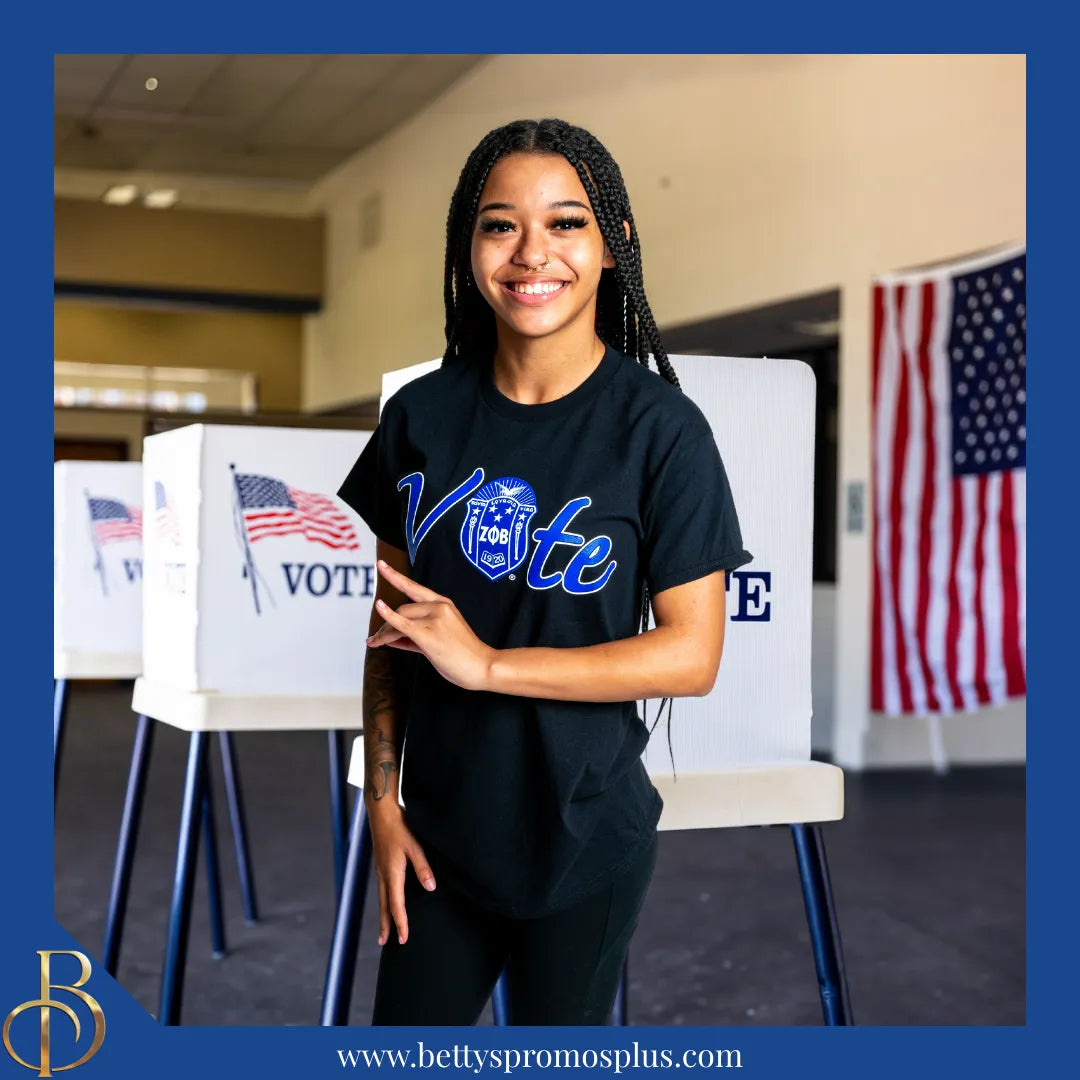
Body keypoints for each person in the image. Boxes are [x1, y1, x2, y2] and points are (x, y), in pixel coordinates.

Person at [337, 118, 752, 1026]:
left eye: (566, 223)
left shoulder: (661, 432)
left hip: (585, 839)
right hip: (437, 837)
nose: (533, 253)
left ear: (613, 246)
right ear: (469, 246)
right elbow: (389, 635)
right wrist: (381, 803)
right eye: (499, 224)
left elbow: (692, 656)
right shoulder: (421, 417)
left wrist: (485, 663)